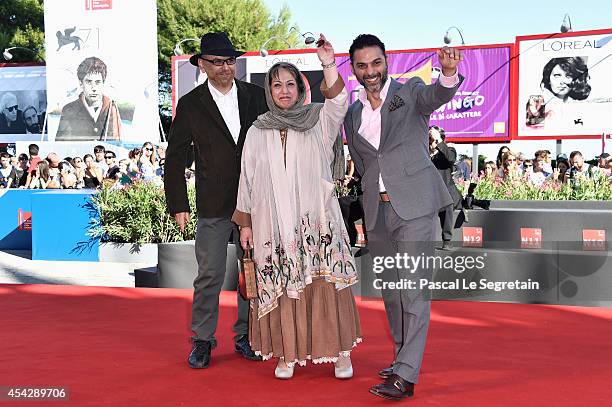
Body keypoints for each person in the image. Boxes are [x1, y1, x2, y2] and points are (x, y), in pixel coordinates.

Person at [232, 35, 361, 380]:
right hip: (272, 224)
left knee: (325, 283)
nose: (285, 90)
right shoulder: (258, 130)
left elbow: (339, 103)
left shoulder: (319, 120)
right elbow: (247, 177)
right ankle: (286, 354)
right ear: (269, 91)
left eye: (290, 84)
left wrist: (328, 63)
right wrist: (246, 224)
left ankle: (341, 355)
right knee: (283, 282)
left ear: (301, 89)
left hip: (316, 222)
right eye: (277, 85)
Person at [343, 33, 462, 400]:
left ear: (386, 61)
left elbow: (437, 95)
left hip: (414, 208)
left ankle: (406, 375)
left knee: (414, 292)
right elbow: (364, 164)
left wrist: (447, 72)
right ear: (355, 69)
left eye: (376, 63)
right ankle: (401, 358)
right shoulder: (353, 113)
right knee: (392, 294)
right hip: (378, 213)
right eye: (362, 65)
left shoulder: (409, 92)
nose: (370, 71)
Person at [164, 32, 268, 370]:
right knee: (209, 274)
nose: (225, 68)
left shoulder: (256, 96)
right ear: (203, 65)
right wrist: (178, 203)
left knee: (251, 271)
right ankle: (203, 339)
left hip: (255, 202)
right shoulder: (191, 104)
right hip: (213, 203)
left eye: (229, 61)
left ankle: (247, 334)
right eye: (217, 62)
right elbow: (175, 157)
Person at [56, 57, 122, 141]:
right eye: (89, 82)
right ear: (81, 83)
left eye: (98, 82)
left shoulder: (111, 108)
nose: (93, 88)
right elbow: (61, 143)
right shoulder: (69, 109)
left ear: (103, 83)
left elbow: (117, 140)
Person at [429, 125, 462, 250]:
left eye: (433, 138)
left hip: (445, 192)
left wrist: (438, 141)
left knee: (448, 204)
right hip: (428, 193)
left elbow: (451, 158)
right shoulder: (423, 152)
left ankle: (447, 240)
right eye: (430, 139)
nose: (431, 141)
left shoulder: (448, 149)